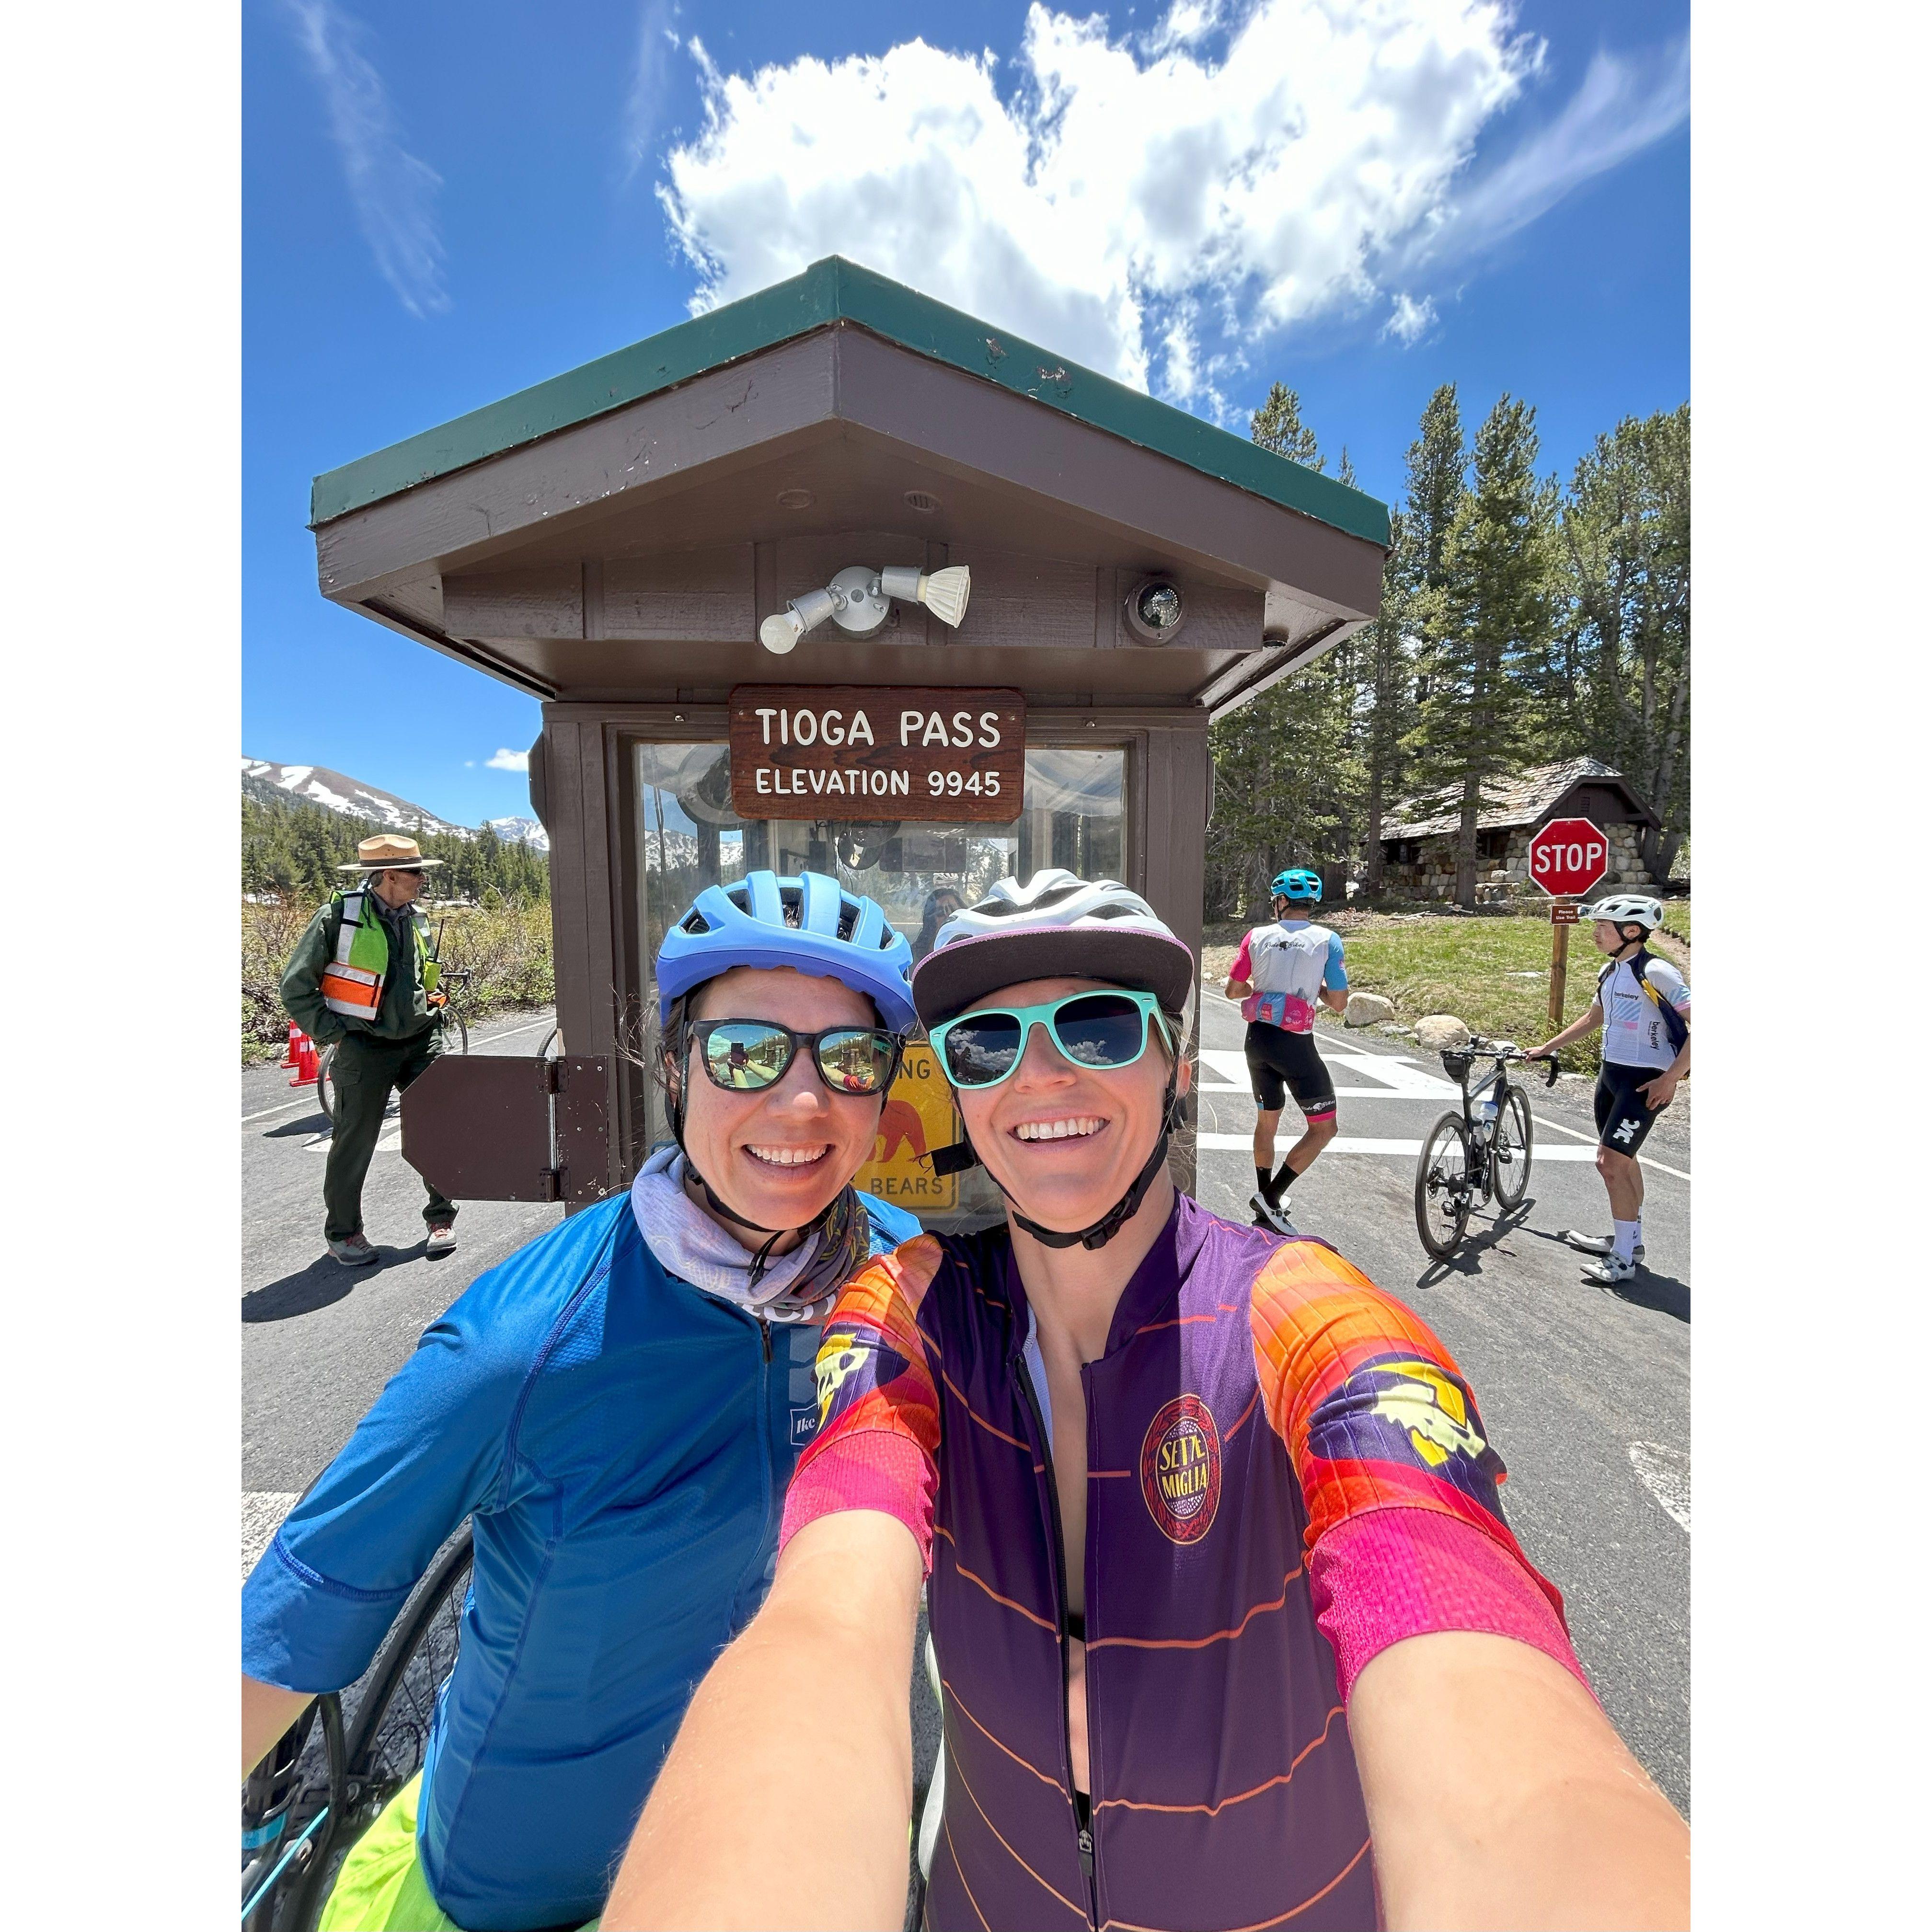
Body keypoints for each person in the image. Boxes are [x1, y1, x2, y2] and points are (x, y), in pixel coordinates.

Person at [606, 868, 1689, 1932]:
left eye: (1100, 1028)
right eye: (988, 1046)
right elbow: (824, 1630)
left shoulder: (1301, 1315)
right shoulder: (911, 1311)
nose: (1042, 1078)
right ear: (957, 1092)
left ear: (1175, 1064)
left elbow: (1480, 1692)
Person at [242, 871, 924, 1932]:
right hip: (523, 1896)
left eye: (850, 1057)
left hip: (781, 1869)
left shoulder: (902, 1279)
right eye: (745, 1051)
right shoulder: (521, 1346)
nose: (803, 1100)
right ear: (673, 1067)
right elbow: (284, 1637)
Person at [280, 833, 460, 1265]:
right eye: (416, 872)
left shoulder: (416, 918)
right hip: (364, 1047)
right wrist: (336, 1032)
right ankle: (344, 1233)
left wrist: (431, 1000)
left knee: (438, 1130)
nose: (423, 880)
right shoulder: (337, 918)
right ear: (390, 875)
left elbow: (415, 976)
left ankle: (441, 1218)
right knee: (353, 1141)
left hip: (421, 1040)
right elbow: (296, 987)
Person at [1532, 893, 1690, 1286]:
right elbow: (1593, 1018)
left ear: (1631, 931)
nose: (1596, 934)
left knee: (1610, 1164)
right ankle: (1629, 1242)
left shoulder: (1657, 971)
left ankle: (1622, 1261)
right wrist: (1548, 1048)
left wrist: (1670, 1078)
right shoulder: (1611, 972)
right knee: (1625, 1161)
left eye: (1604, 927)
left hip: (1645, 1079)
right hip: (1611, 1075)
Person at [1222, 866, 1349, 1235]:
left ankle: (1266, 1203)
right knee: (1324, 1128)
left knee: (1267, 1122)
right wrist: (1317, 990)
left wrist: (1263, 994)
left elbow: (1233, 990)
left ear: (1280, 902)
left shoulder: (1257, 935)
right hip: (1296, 1046)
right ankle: (1272, 1197)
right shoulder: (1328, 940)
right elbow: (1339, 1003)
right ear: (1310, 904)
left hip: (1258, 1041)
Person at [911, 884, 964, 963]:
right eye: (941, 912)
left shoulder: (976, 945)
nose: (948, 916)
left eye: (954, 910)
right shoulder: (914, 955)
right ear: (931, 921)